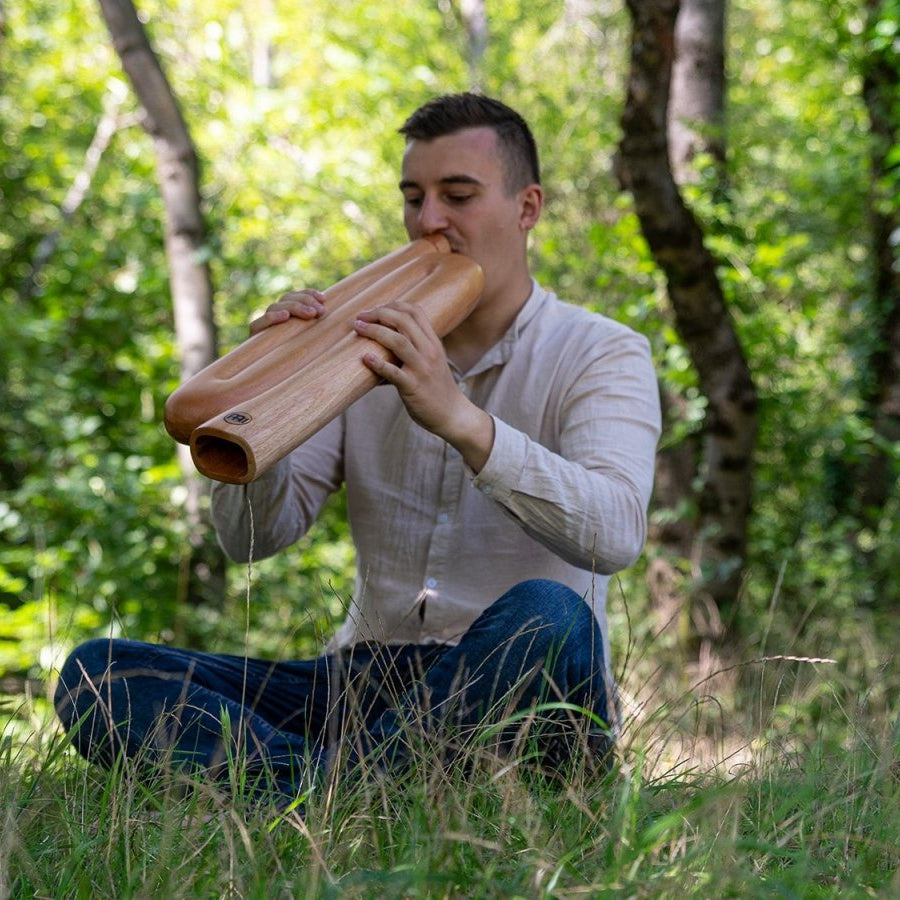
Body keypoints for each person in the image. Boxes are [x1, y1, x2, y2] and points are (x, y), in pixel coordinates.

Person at [55, 93, 661, 802]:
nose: (428, 221)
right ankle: (350, 790)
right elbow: (251, 540)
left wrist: (461, 420)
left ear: (527, 208)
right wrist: (273, 386)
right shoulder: (357, 347)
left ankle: (314, 789)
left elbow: (615, 533)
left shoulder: (602, 352)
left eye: (458, 195)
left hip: (522, 685)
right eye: (413, 197)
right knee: (98, 673)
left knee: (552, 613)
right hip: (364, 684)